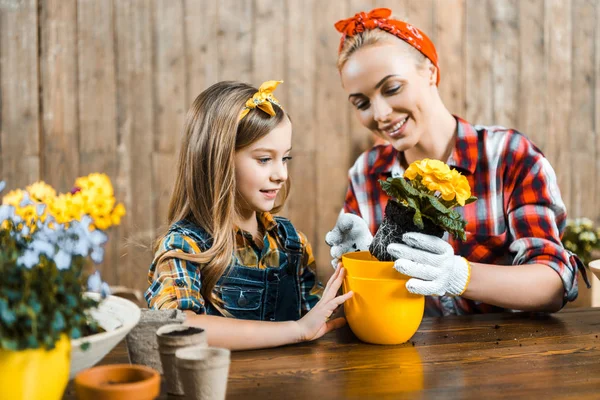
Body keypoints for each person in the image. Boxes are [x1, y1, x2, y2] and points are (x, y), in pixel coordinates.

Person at [325, 8, 589, 317]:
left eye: (392, 88)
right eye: (362, 103)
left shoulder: (508, 156)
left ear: (431, 72)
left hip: (506, 355)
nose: (380, 113)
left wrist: (457, 275)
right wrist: (358, 263)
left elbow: (553, 282)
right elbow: (361, 301)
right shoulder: (366, 174)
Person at [146, 80, 353, 350]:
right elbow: (177, 327)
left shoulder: (293, 245)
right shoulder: (185, 246)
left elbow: (322, 322)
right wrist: (297, 330)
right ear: (218, 160)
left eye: (285, 158)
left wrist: (359, 266)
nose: (281, 174)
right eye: (264, 159)